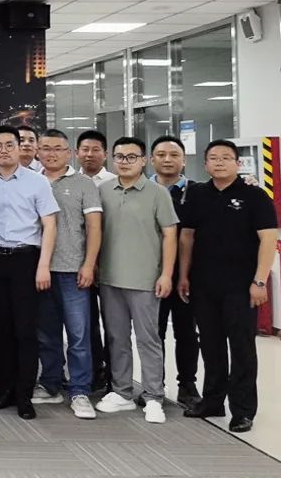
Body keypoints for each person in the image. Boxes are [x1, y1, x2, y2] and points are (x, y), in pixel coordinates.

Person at [179, 139, 277, 433]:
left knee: (242, 348)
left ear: (237, 163)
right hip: (203, 284)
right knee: (211, 345)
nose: (219, 162)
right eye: (213, 158)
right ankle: (212, 401)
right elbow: (187, 237)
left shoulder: (255, 196)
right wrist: (183, 275)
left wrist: (260, 280)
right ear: (205, 164)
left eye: (225, 157)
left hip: (242, 286)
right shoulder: (197, 194)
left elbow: (268, 239)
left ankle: (243, 410)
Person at [0, 125, 59, 421]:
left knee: (25, 330)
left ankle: (24, 395)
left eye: (9, 144)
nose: (4, 150)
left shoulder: (37, 182)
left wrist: (44, 265)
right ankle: (4, 389)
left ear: (19, 147)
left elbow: (49, 225)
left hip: (27, 260)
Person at [94, 137, 178, 425]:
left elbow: (170, 235)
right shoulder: (103, 190)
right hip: (109, 278)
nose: (125, 162)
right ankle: (122, 392)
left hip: (145, 280)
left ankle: (154, 396)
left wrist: (166, 274)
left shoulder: (157, 193)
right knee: (116, 338)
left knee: (148, 340)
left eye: (132, 157)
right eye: (119, 156)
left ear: (143, 160)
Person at [32, 129, 101, 420]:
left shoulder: (84, 184)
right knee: (46, 334)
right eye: (46, 148)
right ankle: (50, 384)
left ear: (69, 153)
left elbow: (94, 227)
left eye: (57, 149)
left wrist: (88, 264)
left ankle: (80, 390)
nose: (51, 154)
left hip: (73, 271)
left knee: (78, 334)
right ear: (38, 152)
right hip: (39, 270)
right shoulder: (31, 181)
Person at [150, 135, 201, 408]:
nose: (167, 160)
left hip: (186, 277)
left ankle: (187, 386)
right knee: (152, 333)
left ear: (184, 160)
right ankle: (154, 386)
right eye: (161, 155)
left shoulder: (198, 192)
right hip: (149, 275)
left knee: (186, 333)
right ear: (151, 159)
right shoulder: (142, 189)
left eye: (174, 155)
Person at [76, 129, 116, 393]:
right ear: (76, 153)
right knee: (86, 323)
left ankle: (115, 377)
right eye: (85, 150)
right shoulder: (69, 181)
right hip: (81, 263)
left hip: (111, 263)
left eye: (95, 150)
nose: (89, 154)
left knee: (113, 324)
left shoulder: (115, 182)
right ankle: (93, 372)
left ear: (105, 154)